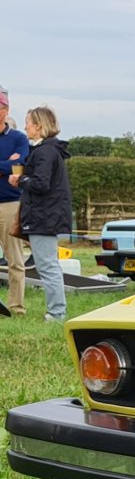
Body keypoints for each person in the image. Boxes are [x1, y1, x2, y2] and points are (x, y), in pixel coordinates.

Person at [7, 105, 72, 323]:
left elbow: (41, 184)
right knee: (48, 265)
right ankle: (57, 311)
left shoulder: (45, 152)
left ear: (39, 126)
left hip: (44, 217)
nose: (25, 126)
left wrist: (21, 180)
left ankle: (56, 313)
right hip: (47, 215)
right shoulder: (49, 150)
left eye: (29, 123)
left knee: (47, 266)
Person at [0, 89, 31, 316]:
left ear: (6, 111)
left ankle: (16, 308)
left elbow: (20, 165)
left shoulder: (19, 138)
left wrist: (11, 165)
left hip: (10, 204)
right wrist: (5, 164)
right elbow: (10, 166)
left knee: (15, 260)